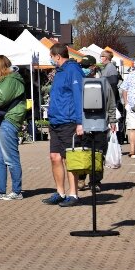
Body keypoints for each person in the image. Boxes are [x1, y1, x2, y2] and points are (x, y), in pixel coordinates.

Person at [42, 44, 84, 207]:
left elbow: (79, 95)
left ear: (57, 56)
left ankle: (73, 194)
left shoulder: (73, 70)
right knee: (55, 157)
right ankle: (60, 192)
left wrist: (80, 122)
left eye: (51, 56)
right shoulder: (59, 72)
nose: (51, 59)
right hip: (56, 121)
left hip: (69, 121)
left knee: (69, 159)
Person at [0, 55, 27, 201]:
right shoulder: (4, 81)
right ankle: (1, 190)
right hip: (0, 120)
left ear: (0, 67)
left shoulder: (11, 80)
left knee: (10, 157)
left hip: (9, 120)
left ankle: (16, 191)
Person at [77, 55, 117, 192]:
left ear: (94, 67)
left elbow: (111, 104)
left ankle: (95, 181)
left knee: (99, 154)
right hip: (83, 125)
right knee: (83, 153)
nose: (84, 69)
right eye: (82, 67)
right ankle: (81, 178)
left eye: (86, 67)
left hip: (101, 125)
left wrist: (112, 120)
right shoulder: (79, 83)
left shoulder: (104, 83)